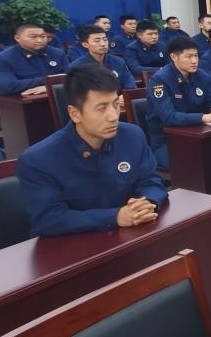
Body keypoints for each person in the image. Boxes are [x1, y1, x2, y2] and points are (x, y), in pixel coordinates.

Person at [16, 63, 167, 237]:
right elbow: (48, 220)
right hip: (75, 245)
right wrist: (115, 216)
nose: (113, 116)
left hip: (131, 235)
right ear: (75, 114)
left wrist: (147, 202)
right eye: (101, 108)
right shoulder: (38, 160)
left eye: (115, 104)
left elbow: (151, 182)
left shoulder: (132, 136)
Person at [147, 37, 211, 169]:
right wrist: (203, 117)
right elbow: (169, 117)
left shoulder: (201, 75)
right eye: (188, 56)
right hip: (168, 140)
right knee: (195, 164)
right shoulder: (159, 80)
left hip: (198, 133)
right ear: (174, 57)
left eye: (196, 56)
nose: (194, 61)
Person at [0, 23, 68, 95]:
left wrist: (48, 87)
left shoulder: (57, 53)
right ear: (17, 38)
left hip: (58, 96)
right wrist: (48, 82)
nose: (39, 40)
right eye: (33, 37)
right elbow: (6, 86)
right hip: (23, 99)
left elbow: (70, 78)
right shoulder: (3, 58)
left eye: (43, 36)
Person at [69, 25, 137, 90]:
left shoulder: (118, 61)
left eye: (105, 39)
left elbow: (130, 85)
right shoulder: (77, 67)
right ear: (85, 44)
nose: (103, 44)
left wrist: (125, 95)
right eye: (97, 41)